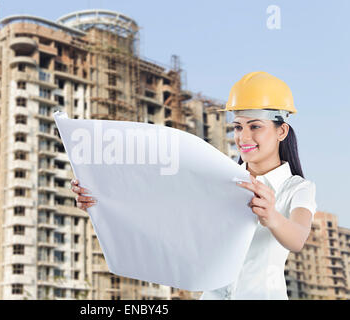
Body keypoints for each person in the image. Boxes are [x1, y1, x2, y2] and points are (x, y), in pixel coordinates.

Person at [70, 71, 317, 300]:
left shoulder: (298, 188)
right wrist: (101, 199)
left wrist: (272, 216)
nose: (244, 137)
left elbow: (297, 238)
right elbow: (167, 213)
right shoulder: (222, 179)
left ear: (281, 131)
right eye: (238, 127)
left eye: (255, 126)